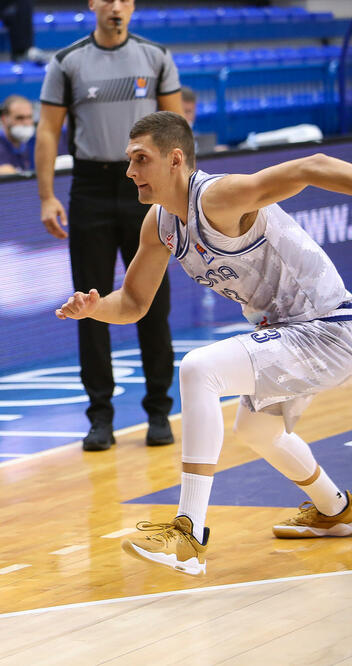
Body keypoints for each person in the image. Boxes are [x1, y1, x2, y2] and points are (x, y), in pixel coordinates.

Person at [56, 110, 352, 575]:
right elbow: (133, 302)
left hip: (330, 327)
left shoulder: (218, 196)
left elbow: (309, 166)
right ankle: (335, 509)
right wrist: (94, 308)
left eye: (140, 160)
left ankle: (189, 532)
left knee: (199, 368)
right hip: (288, 330)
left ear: (176, 160)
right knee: (256, 431)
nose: (130, 172)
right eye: (129, 161)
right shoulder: (160, 224)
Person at [35, 0, 183, 452]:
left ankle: (159, 411)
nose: (116, 7)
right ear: (93, 5)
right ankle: (100, 417)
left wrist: (181, 192)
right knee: (90, 303)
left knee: (153, 303)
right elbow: (47, 130)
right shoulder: (67, 62)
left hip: (148, 187)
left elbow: (177, 131)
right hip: (92, 187)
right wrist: (45, 196)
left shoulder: (156, 57)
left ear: (132, 6)